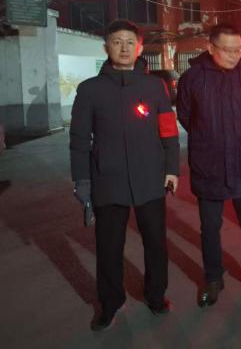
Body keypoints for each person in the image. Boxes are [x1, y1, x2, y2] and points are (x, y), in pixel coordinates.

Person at [70, 19, 180, 331]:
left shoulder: (154, 87)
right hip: (108, 179)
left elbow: (168, 131)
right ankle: (110, 302)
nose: (124, 48)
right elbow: (79, 140)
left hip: (150, 178)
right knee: (108, 247)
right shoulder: (90, 90)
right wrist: (82, 181)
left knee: (156, 243)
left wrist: (172, 168)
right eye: (117, 41)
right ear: (106, 47)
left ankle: (156, 295)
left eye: (130, 42)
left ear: (140, 48)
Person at [176, 24, 241, 305]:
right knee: (210, 227)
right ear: (210, 48)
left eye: (237, 49)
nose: (233, 55)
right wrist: (206, 136)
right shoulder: (193, 78)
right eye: (227, 50)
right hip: (209, 164)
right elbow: (186, 116)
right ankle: (213, 279)